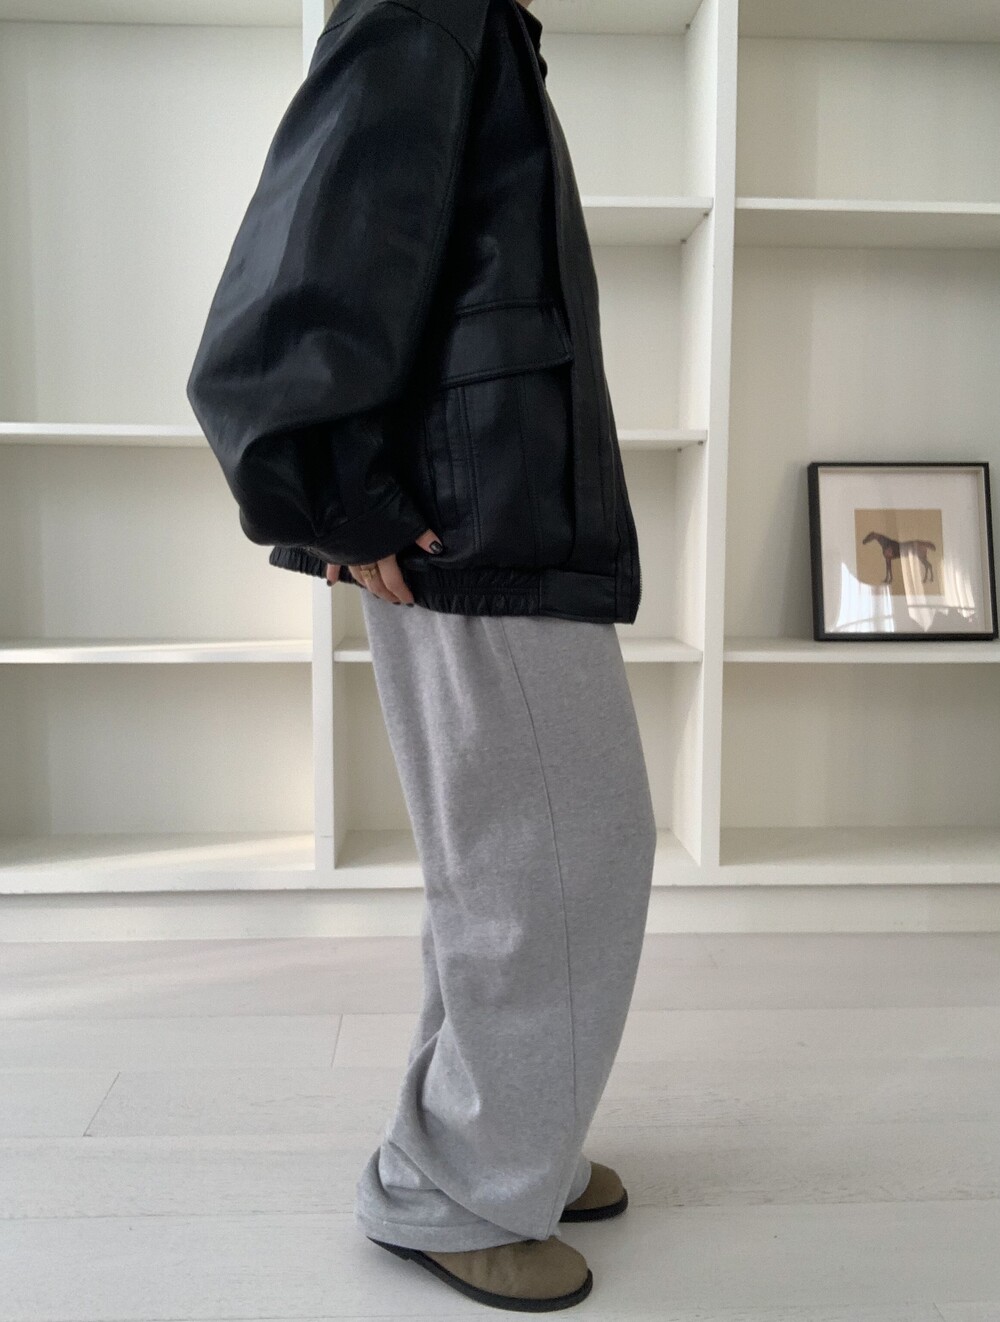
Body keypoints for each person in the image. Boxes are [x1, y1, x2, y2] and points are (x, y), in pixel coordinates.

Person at [186, 0, 657, 1310]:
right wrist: (337, 497)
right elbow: (312, 252)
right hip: (466, 510)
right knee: (556, 854)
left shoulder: (470, 20)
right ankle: (458, 1183)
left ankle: (507, 1142)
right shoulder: (424, 7)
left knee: (519, 858)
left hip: (491, 498)